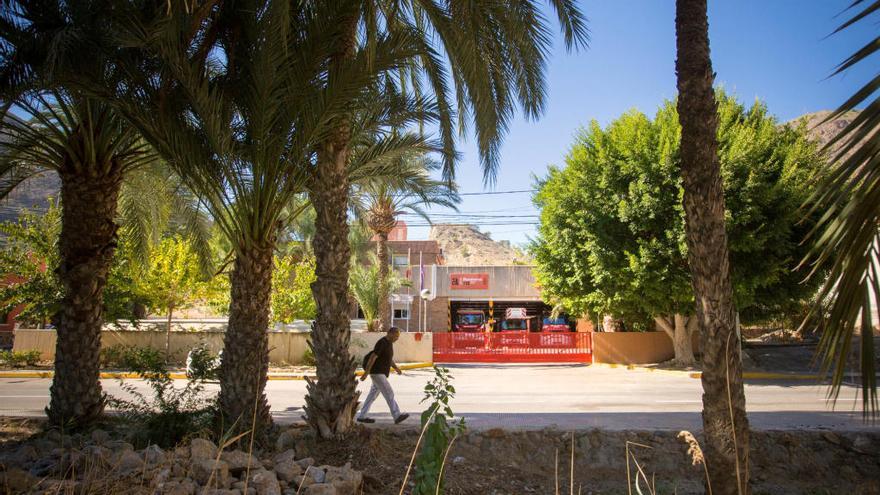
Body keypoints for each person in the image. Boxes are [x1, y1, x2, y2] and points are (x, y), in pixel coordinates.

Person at [356, 326, 410, 424]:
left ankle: (362, 416)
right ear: (390, 333)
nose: (397, 338)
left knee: (372, 395)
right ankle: (396, 415)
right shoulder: (382, 342)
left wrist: (396, 368)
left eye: (398, 336)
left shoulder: (389, 344)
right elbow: (373, 357)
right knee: (389, 393)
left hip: (379, 373)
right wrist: (366, 373)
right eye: (396, 336)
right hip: (377, 373)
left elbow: (389, 359)